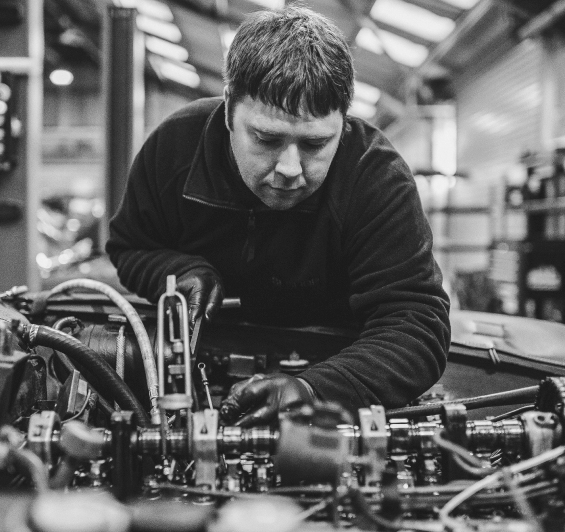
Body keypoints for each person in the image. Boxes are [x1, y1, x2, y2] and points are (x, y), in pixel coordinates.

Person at [106, 6, 450, 426]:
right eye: (267, 139)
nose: (290, 168)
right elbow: (130, 245)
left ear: (343, 121)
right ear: (229, 109)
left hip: (338, 366)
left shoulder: (373, 174)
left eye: (314, 144)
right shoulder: (175, 148)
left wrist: (314, 389)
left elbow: (416, 324)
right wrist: (177, 272)